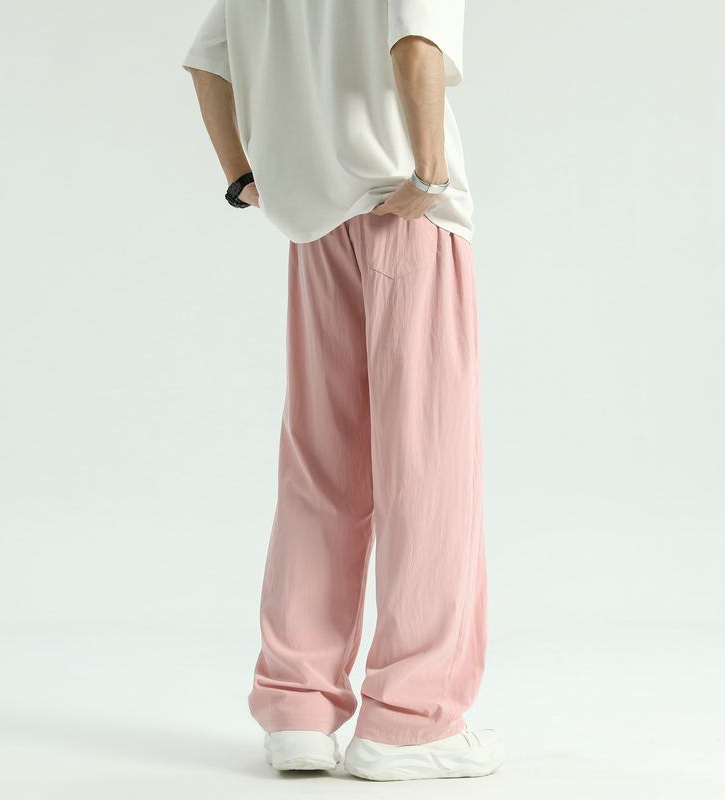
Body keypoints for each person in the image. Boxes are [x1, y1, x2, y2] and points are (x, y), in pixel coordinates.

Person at [181, 0, 504, 781]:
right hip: (407, 213)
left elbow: (207, 61)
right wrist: (429, 174)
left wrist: (243, 177)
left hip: (317, 224)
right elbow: (416, 43)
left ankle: (297, 708)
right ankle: (412, 721)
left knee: (322, 466)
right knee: (428, 469)